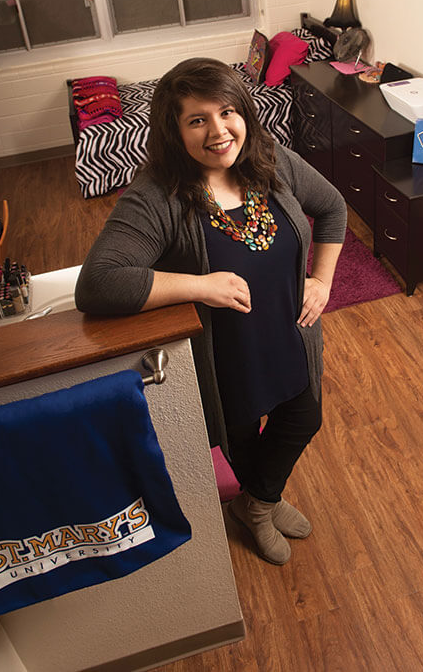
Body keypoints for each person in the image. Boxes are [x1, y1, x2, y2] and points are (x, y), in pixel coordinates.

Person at [75, 58, 347, 565]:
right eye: (197, 120)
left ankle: (257, 503)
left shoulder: (270, 159)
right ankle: (261, 501)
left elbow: (332, 207)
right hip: (228, 356)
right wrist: (199, 285)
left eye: (227, 112)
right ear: (174, 131)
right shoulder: (157, 195)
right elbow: (98, 283)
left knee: (303, 417)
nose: (219, 131)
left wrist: (323, 280)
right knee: (241, 440)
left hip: (290, 333)